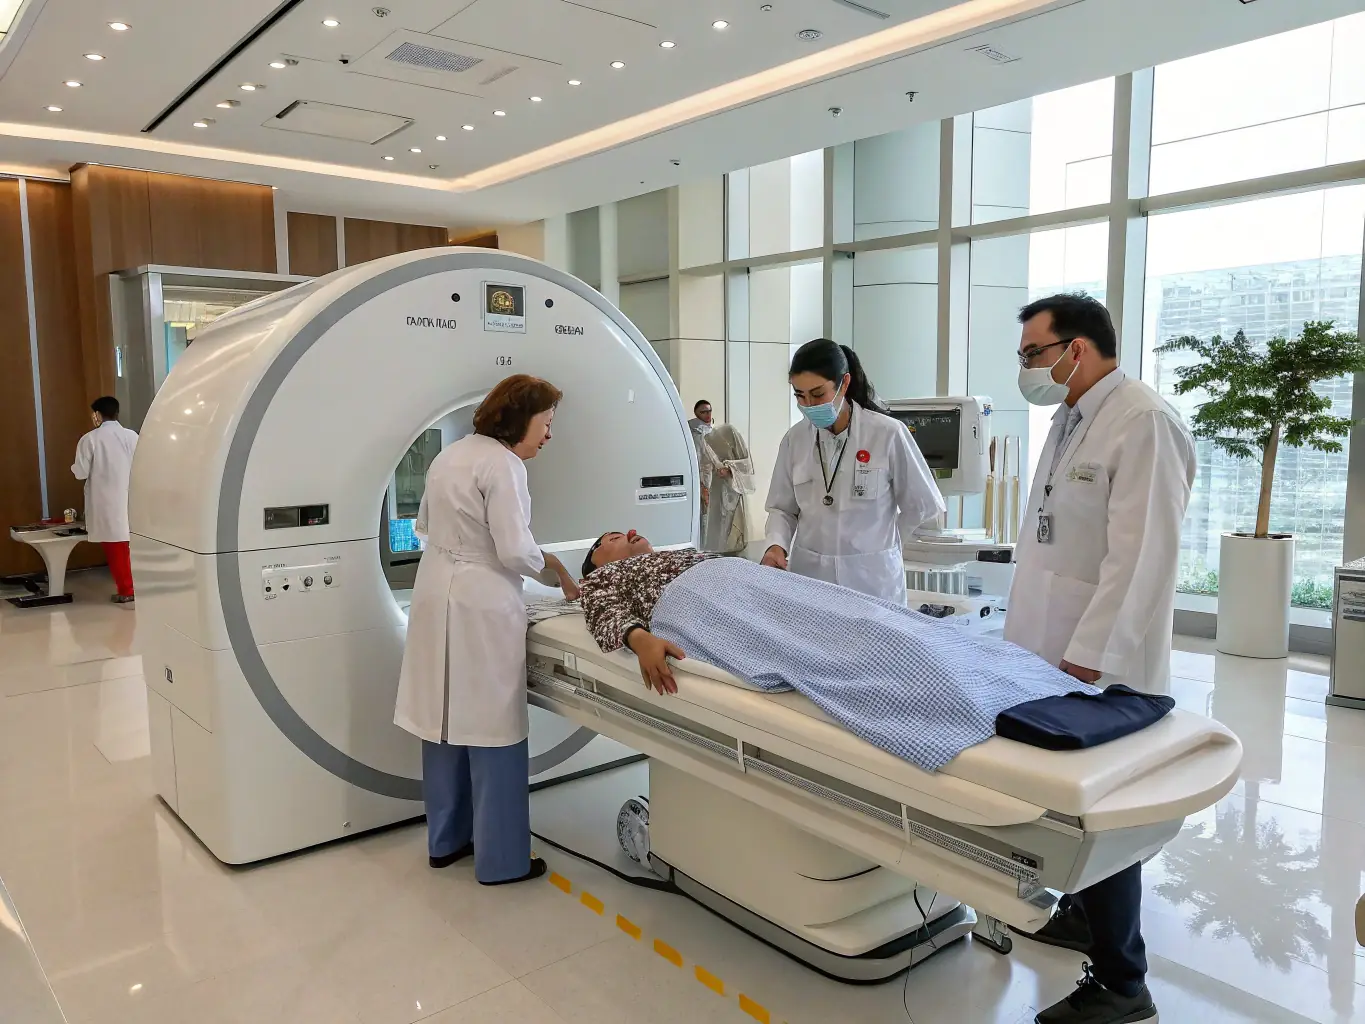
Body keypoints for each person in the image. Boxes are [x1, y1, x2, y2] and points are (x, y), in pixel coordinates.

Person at [1005, 294, 1195, 1024]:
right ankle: (1085, 915)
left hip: (1101, 665)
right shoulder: (1071, 418)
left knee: (1098, 813)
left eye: (1033, 352)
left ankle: (1123, 986)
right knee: (1069, 804)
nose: (1027, 366)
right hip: (1048, 648)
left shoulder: (1143, 421)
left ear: (1076, 349)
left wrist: (1090, 655)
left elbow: (1143, 556)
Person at [394, 375, 579, 886]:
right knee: (493, 724)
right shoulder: (504, 465)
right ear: (521, 419)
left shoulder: (450, 454)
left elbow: (424, 527)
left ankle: (447, 841)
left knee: (444, 717)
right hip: (480, 601)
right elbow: (514, 550)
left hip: (435, 590)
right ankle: (502, 861)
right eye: (546, 423)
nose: (548, 435)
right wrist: (554, 567)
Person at [761, 340, 943, 604]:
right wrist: (776, 545)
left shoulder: (887, 434)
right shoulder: (795, 439)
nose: (809, 404)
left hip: (872, 582)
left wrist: (882, 547)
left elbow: (923, 505)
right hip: (810, 578)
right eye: (800, 395)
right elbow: (781, 508)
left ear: (844, 383)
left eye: (817, 394)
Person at [72, 396, 139, 603]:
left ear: (97, 415)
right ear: (117, 413)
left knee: (115, 548)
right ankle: (134, 587)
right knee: (129, 547)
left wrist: (73, 467)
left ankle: (127, 590)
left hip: (106, 502)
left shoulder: (90, 439)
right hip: (130, 499)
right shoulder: (132, 436)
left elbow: (80, 473)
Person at [698, 424, 756, 555]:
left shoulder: (730, 434)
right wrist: (704, 487)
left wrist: (730, 470)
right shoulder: (706, 440)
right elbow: (705, 467)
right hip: (716, 487)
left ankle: (731, 553)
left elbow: (746, 465)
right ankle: (717, 553)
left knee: (731, 522)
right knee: (716, 521)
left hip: (733, 488)